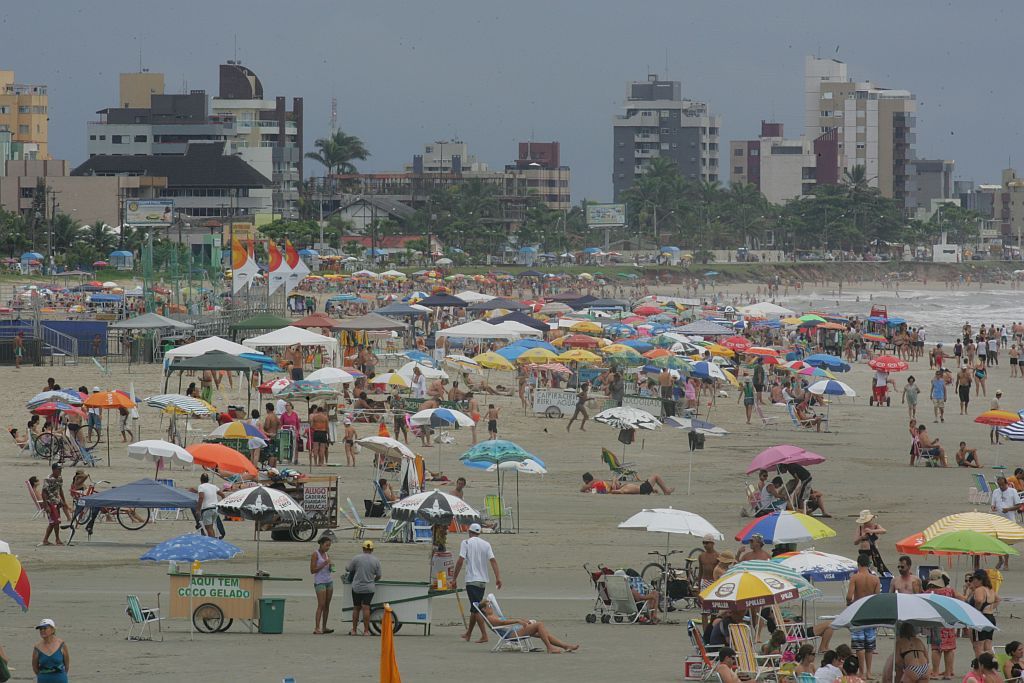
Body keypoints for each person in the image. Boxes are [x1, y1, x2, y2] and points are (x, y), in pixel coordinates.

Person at [452, 522, 502, 643]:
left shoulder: (466, 543)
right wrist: (498, 577)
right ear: (479, 533)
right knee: (474, 608)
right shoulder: (486, 544)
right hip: (482, 581)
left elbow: (460, 561)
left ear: (469, 532)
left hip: (472, 580)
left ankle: (484, 635)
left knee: (477, 608)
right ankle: (468, 633)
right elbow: (493, 561)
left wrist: (454, 578)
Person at [477, 598, 578, 653]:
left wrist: (521, 620)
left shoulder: (493, 615)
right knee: (539, 625)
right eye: (489, 605)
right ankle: (549, 647)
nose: (491, 606)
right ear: (484, 609)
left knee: (543, 633)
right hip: (512, 634)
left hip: (514, 630)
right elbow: (503, 623)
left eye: (491, 604)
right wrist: (518, 621)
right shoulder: (490, 618)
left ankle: (565, 646)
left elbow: (505, 620)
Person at [847, 554, 882, 678]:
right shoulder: (875, 579)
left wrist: (849, 606)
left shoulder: (855, 578)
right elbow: (877, 598)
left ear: (858, 564)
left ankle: (861, 672)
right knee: (869, 645)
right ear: (869, 564)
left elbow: (849, 596)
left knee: (859, 645)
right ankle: (869, 672)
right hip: (870, 613)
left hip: (858, 613)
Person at [924, 570, 960, 680]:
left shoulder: (929, 592)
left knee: (936, 648)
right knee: (949, 648)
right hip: (948, 622)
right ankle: (948, 673)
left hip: (936, 622)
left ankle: (935, 672)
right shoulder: (950, 591)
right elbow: (962, 599)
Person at [344, 540, 381, 636]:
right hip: (369, 588)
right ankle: (366, 631)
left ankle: (354, 630)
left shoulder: (356, 558)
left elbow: (348, 569)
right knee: (366, 608)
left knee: (356, 608)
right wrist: (373, 580)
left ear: (363, 548)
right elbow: (379, 575)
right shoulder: (376, 560)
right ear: (372, 549)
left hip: (357, 587)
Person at [966, 569, 999, 656]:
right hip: (990, 617)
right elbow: (998, 599)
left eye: (974, 579)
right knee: (988, 646)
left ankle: (981, 667)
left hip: (980, 618)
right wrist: (991, 607)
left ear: (979, 579)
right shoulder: (990, 589)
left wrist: (977, 610)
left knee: (978, 646)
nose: (973, 581)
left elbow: (979, 600)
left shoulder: (980, 589)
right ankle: (992, 665)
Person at [310, 534, 335, 634]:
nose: (328, 547)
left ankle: (324, 627)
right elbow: (312, 570)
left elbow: (328, 567)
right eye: (326, 545)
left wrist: (330, 566)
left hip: (328, 580)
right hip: (320, 581)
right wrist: (324, 564)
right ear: (321, 544)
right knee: (321, 604)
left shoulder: (327, 555)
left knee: (327, 605)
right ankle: (317, 627)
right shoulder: (315, 554)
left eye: (329, 546)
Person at [41, 464, 70, 546]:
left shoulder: (60, 478)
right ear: (53, 470)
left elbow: (60, 489)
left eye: (61, 470)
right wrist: (46, 506)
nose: (60, 471)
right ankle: (57, 539)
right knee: (55, 521)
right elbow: (43, 493)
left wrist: (64, 501)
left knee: (54, 522)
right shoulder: (48, 479)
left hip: (57, 501)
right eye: (58, 470)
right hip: (50, 502)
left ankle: (46, 540)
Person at [32, 618, 69, 683]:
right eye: (40, 629)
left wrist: (62, 675)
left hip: (60, 679)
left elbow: (67, 665)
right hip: (43, 679)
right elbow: (35, 667)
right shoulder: (37, 647)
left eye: (45, 628)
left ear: (52, 630)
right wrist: (43, 676)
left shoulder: (61, 644)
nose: (42, 630)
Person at [854, 509, 889, 574]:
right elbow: (855, 542)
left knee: (872, 569)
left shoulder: (876, 526)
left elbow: (884, 531)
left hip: (872, 551)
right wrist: (862, 537)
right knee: (862, 569)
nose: (865, 523)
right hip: (862, 552)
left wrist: (871, 531)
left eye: (866, 521)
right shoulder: (860, 528)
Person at [579, 472, 674, 495]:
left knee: (655, 476)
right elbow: (618, 492)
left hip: (643, 488)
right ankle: (666, 490)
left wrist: (653, 490)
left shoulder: (624, 487)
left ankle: (666, 490)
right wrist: (616, 488)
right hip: (643, 489)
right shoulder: (623, 489)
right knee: (656, 476)